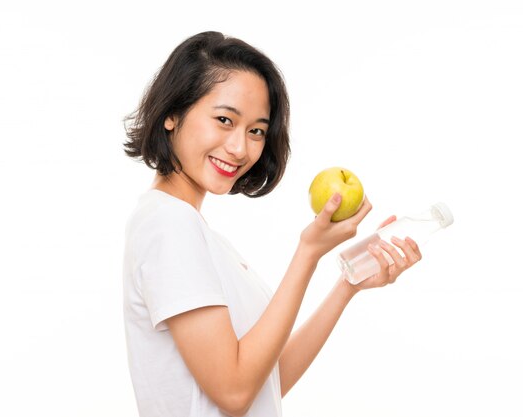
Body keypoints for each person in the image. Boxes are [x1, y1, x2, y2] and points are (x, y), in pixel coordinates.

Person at [121, 31, 422, 417]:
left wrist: (347, 285)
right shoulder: (168, 225)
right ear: (172, 114)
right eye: (224, 120)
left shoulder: (194, 232)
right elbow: (233, 393)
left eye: (256, 131)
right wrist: (308, 252)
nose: (240, 148)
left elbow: (267, 381)